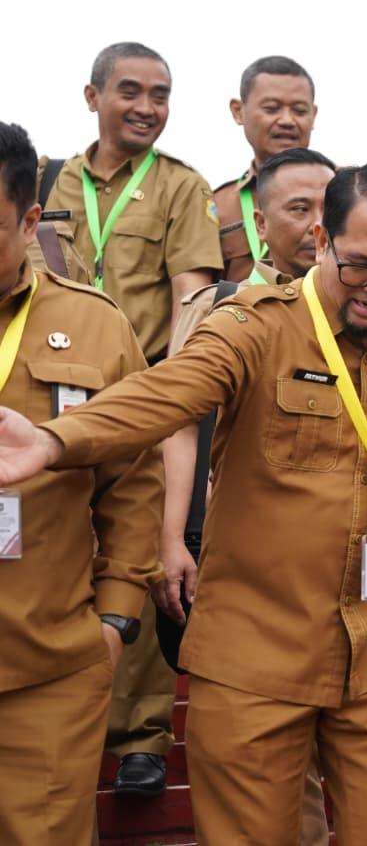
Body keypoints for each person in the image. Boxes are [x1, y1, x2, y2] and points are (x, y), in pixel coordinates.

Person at [0, 161, 367, 844]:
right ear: (321, 239)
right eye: (359, 266)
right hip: (254, 656)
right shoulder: (255, 327)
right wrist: (55, 441)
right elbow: (166, 392)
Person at [38, 40, 224, 795]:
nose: (147, 107)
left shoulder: (181, 186)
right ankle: (64, 714)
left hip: (139, 391)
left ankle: (142, 733)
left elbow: (192, 291)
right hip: (50, 383)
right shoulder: (51, 179)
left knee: (145, 549)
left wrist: (175, 388)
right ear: (93, 97)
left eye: (161, 93)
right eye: (131, 91)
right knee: (55, 547)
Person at [159, 147, 337, 846]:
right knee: (258, 775)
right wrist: (172, 536)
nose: (318, 225)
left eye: (330, 208)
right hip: (244, 570)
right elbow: (177, 422)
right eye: (299, 209)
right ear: (259, 223)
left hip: (341, 573)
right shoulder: (221, 307)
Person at [0, 121, 164, 844]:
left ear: (31, 220)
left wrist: (117, 617)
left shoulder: (94, 325)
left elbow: (132, 480)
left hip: (49, 667)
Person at [211, 56, 320, 283]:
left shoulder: (345, 193)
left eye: (299, 111)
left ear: (314, 115)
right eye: (272, 109)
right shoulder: (217, 206)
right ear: (238, 111)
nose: (287, 121)